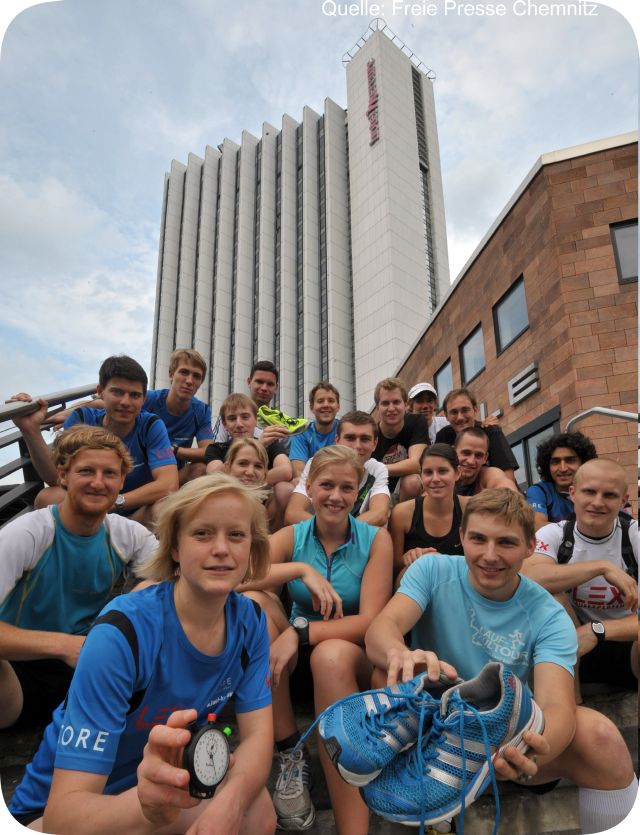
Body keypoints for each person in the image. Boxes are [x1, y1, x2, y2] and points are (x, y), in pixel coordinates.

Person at [8, 473, 276, 835]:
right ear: (175, 548)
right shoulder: (123, 634)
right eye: (202, 533)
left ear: (252, 549)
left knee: (254, 809)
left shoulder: (250, 620)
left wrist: (230, 801)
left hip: (163, 783)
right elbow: (63, 816)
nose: (221, 549)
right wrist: (146, 805)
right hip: (52, 811)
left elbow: (259, 737)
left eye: (236, 535)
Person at [365, 489, 638, 835]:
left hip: (507, 738)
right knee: (388, 671)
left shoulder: (550, 616)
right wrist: (399, 652)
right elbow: (382, 630)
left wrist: (532, 751)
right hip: (435, 730)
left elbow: (558, 706)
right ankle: (433, 792)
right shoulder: (432, 569)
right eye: (478, 539)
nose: (489, 556)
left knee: (603, 741)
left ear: (529, 548)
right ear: (462, 536)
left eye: (506, 543)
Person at [240, 446, 393, 833]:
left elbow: (372, 621)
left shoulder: (376, 540)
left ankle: (352, 826)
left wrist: (299, 631)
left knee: (330, 655)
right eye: (326, 485)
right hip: (289, 661)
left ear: (359, 493)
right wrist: (300, 569)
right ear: (309, 487)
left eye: (347, 488)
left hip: (345, 661)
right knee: (254, 603)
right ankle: (290, 752)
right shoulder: (294, 535)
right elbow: (238, 579)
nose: (336, 497)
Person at [0, 425, 158, 731]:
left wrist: (146, 591)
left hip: (86, 662)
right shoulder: (28, 533)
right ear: (63, 476)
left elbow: (175, 582)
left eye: (110, 474)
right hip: (18, 671)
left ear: (122, 481)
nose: (98, 483)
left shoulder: (127, 534)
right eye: (86, 471)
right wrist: (64, 645)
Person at [10, 355, 179, 524]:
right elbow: (57, 478)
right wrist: (30, 430)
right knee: (47, 497)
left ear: (144, 399)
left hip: (134, 513)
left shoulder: (151, 425)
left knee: (164, 506)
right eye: (117, 392)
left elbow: (169, 484)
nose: (126, 402)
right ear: (100, 392)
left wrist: (114, 502)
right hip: (90, 509)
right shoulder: (82, 418)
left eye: (134, 395)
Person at [522, 458, 638, 693]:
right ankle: (572, 709)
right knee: (549, 597)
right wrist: (602, 567)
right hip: (572, 648)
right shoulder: (555, 533)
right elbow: (529, 575)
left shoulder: (634, 535)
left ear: (623, 501)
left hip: (628, 648)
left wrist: (597, 629)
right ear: (573, 494)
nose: (597, 502)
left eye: (609, 495)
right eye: (589, 492)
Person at [45, 349, 214, 485]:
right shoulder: (151, 399)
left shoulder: (201, 411)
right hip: (137, 465)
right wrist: (73, 410)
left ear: (201, 382)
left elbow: (208, 451)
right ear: (171, 374)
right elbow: (110, 403)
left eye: (196, 376)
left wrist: (175, 450)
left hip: (167, 471)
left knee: (200, 468)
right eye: (184, 372)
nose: (189, 380)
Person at [285, 410, 390, 527]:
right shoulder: (317, 462)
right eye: (350, 438)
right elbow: (293, 513)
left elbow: (380, 514)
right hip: (315, 536)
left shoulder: (377, 469)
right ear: (337, 440)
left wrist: (339, 533)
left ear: (375, 443)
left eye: (365, 439)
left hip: (352, 539)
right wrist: (334, 533)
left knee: (381, 533)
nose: (357, 446)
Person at [205, 394, 293, 530]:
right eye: (232, 418)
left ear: (255, 420)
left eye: (245, 417)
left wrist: (249, 482)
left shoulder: (271, 443)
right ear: (224, 424)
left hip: (267, 504)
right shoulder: (216, 448)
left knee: (285, 489)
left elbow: (286, 470)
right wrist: (258, 446)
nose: (239, 424)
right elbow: (215, 474)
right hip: (229, 502)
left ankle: (273, 538)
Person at [389, 444, 468, 578]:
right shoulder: (402, 513)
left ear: (457, 473)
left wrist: (438, 562)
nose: (435, 479)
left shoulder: (471, 508)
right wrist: (407, 557)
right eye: (428, 472)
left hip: (461, 582)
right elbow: (393, 568)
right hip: (418, 588)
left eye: (442, 471)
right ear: (420, 476)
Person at [435, 387, 518, 481]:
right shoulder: (443, 436)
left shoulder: (491, 431)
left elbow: (508, 478)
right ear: (446, 416)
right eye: (454, 412)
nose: (460, 417)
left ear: (475, 410)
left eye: (465, 410)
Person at [371, 377, 429, 502]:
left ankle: (402, 519)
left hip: (409, 490)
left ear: (406, 404)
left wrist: (377, 469)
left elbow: (416, 465)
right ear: (377, 407)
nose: (391, 408)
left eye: (396, 402)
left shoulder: (417, 422)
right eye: (385, 403)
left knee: (412, 481)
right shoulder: (371, 434)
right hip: (378, 491)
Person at [526, 431, 598, 529]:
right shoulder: (539, 491)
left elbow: (622, 523)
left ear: (583, 463)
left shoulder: (599, 488)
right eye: (555, 462)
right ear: (547, 466)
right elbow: (538, 527)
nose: (563, 468)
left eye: (570, 460)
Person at [212, 360, 287, 446]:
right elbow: (214, 454)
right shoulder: (228, 416)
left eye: (270, 384)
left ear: (276, 387)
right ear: (249, 382)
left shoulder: (282, 425)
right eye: (259, 382)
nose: (264, 388)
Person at [289, 382, 341, 478]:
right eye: (320, 401)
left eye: (331, 401)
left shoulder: (345, 430)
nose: (326, 405)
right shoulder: (301, 432)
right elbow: (299, 471)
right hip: (310, 484)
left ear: (338, 407)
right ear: (311, 408)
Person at [453, 428, 518, 495]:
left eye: (478, 455)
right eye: (466, 453)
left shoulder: (489, 474)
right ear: (454, 452)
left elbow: (509, 493)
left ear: (485, 458)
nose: (471, 461)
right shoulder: (444, 474)